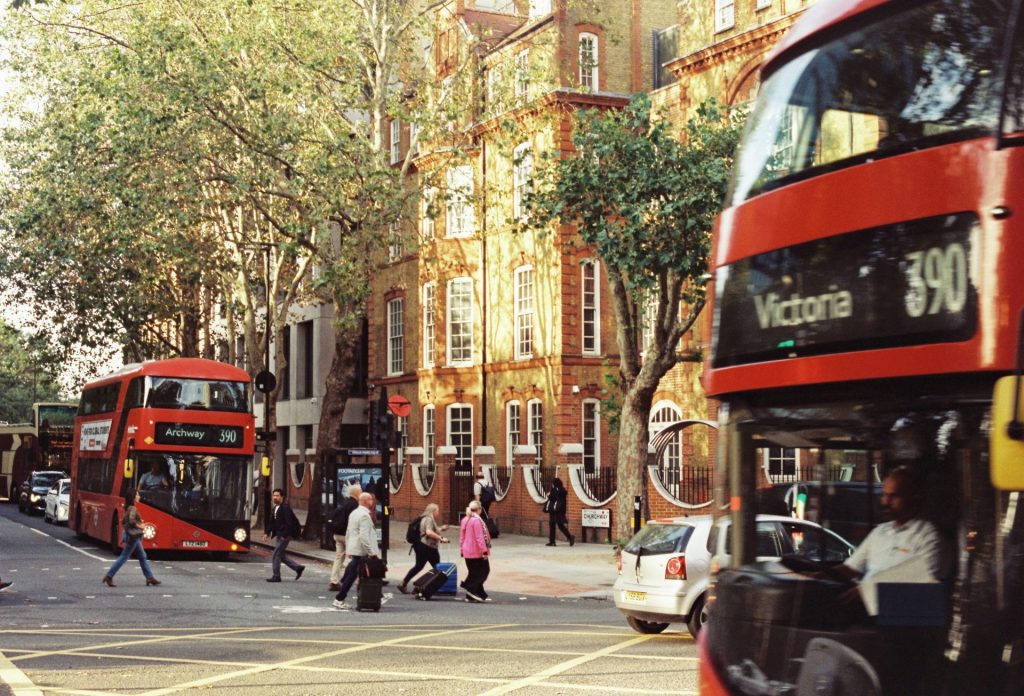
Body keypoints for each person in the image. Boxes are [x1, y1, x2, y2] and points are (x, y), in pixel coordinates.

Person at [829, 467, 946, 583]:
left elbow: (923, 580)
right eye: (884, 495)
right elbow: (851, 568)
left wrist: (866, 590)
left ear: (913, 498)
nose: (886, 502)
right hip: (865, 598)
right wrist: (819, 576)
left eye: (894, 496)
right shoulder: (879, 532)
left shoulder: (928, 536)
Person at [102, 488, 160, 587]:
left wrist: (137, 522)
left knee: (142, 556)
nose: (139, 497)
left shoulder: (128, 507)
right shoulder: (133, 508)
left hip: (132, 536)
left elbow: (124, 521)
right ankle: (109, 576)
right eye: (137, 495)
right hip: (133, 537)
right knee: (124, 557)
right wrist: (140, 525)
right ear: (133, 498)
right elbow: (132, 521)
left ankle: (149, 577)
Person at [333, 492, 381, 610]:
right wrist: (370, 551)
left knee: (355, 574)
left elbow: (349, 532)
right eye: (370, 500)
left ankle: (372, 596)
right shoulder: (364, 516)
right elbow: (363, 536)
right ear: (365, 501)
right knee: (355, 575)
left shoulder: (354, 513)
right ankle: (340, 598)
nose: (372, 502)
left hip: (355, 549)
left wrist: (349, 548)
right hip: (361, 550)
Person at [398, 503, 450, 594]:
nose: (438, 512)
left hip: (421, 546)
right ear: (433, 511)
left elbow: (430, 530)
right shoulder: (429, 519)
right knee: (437, 567)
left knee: (419, 566)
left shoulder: (425, 518)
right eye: (437, 511)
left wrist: (441, 528)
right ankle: (426, 587)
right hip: (428, 546)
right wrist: (441, 538)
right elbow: (429, 532)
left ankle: (404, 583)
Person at [261, 488, 305, 582]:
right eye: (274, 495)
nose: (275, 497)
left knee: (276, 554)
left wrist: (285, 535)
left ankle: (276, 576)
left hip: (284, 535)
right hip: (279, 534)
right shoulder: (275, 508)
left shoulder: (285, 508)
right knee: (280, 555)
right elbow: (271, 522)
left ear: (282, 497)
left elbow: (289, 523)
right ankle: (297, 568)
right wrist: (266, 533)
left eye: (277, 496)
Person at [328, 484, 361, 591]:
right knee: (356, 558)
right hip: (348, 535)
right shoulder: (355, 506)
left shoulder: (344, 503)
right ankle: (357, 580)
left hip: (337, 534)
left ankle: (334, 581)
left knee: (339, 557)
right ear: (357, 494)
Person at [459, 500, 491, 602]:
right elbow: (479, 538)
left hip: (467, 550)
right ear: (479, 510)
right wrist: (484, 551)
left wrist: (461, 549)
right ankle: (471, 589)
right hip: (476, 551)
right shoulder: (477, 521)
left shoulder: (465, 519)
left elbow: (461, 537)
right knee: (484, 571)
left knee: (474, 573)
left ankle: (476, 593)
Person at [545, 478, 575, 547]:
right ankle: (570, 537)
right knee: (560, 525)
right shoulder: (563, 490)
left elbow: (552, 498)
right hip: (561, 510)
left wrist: (548, 495)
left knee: (552, 525)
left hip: (554, 510)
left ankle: (552, 541)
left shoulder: (555, 490)